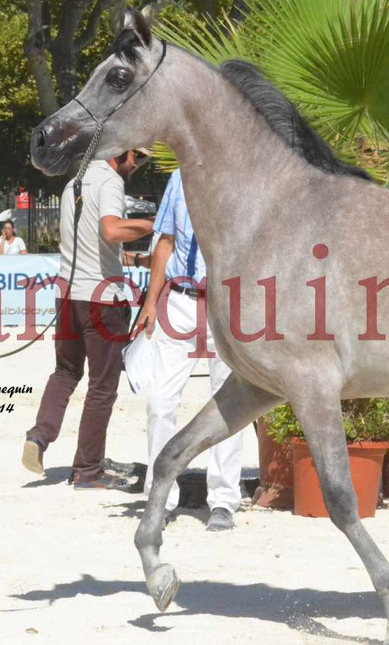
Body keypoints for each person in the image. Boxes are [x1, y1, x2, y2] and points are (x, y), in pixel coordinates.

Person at [22, 149, 154, 489]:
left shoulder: (73, 184)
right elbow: (110, 231)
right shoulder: (110, 182)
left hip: (67, 293)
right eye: (137, 158)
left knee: (64, 373)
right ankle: (87, 470)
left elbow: (95, 242)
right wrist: (156, 225)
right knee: (102, 387)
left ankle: (38, 437)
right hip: (101, 299)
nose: (137, 166)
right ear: (121, 153)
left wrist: (138, 262)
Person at [132, 169, 243, 530]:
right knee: (160, 401)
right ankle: (160, 496)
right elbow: (164, 242)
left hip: (226, 303)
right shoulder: (179, 178)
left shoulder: (240, 173)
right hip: (178, 301)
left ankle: (223, 500)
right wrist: (150, 304)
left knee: (227, 405)